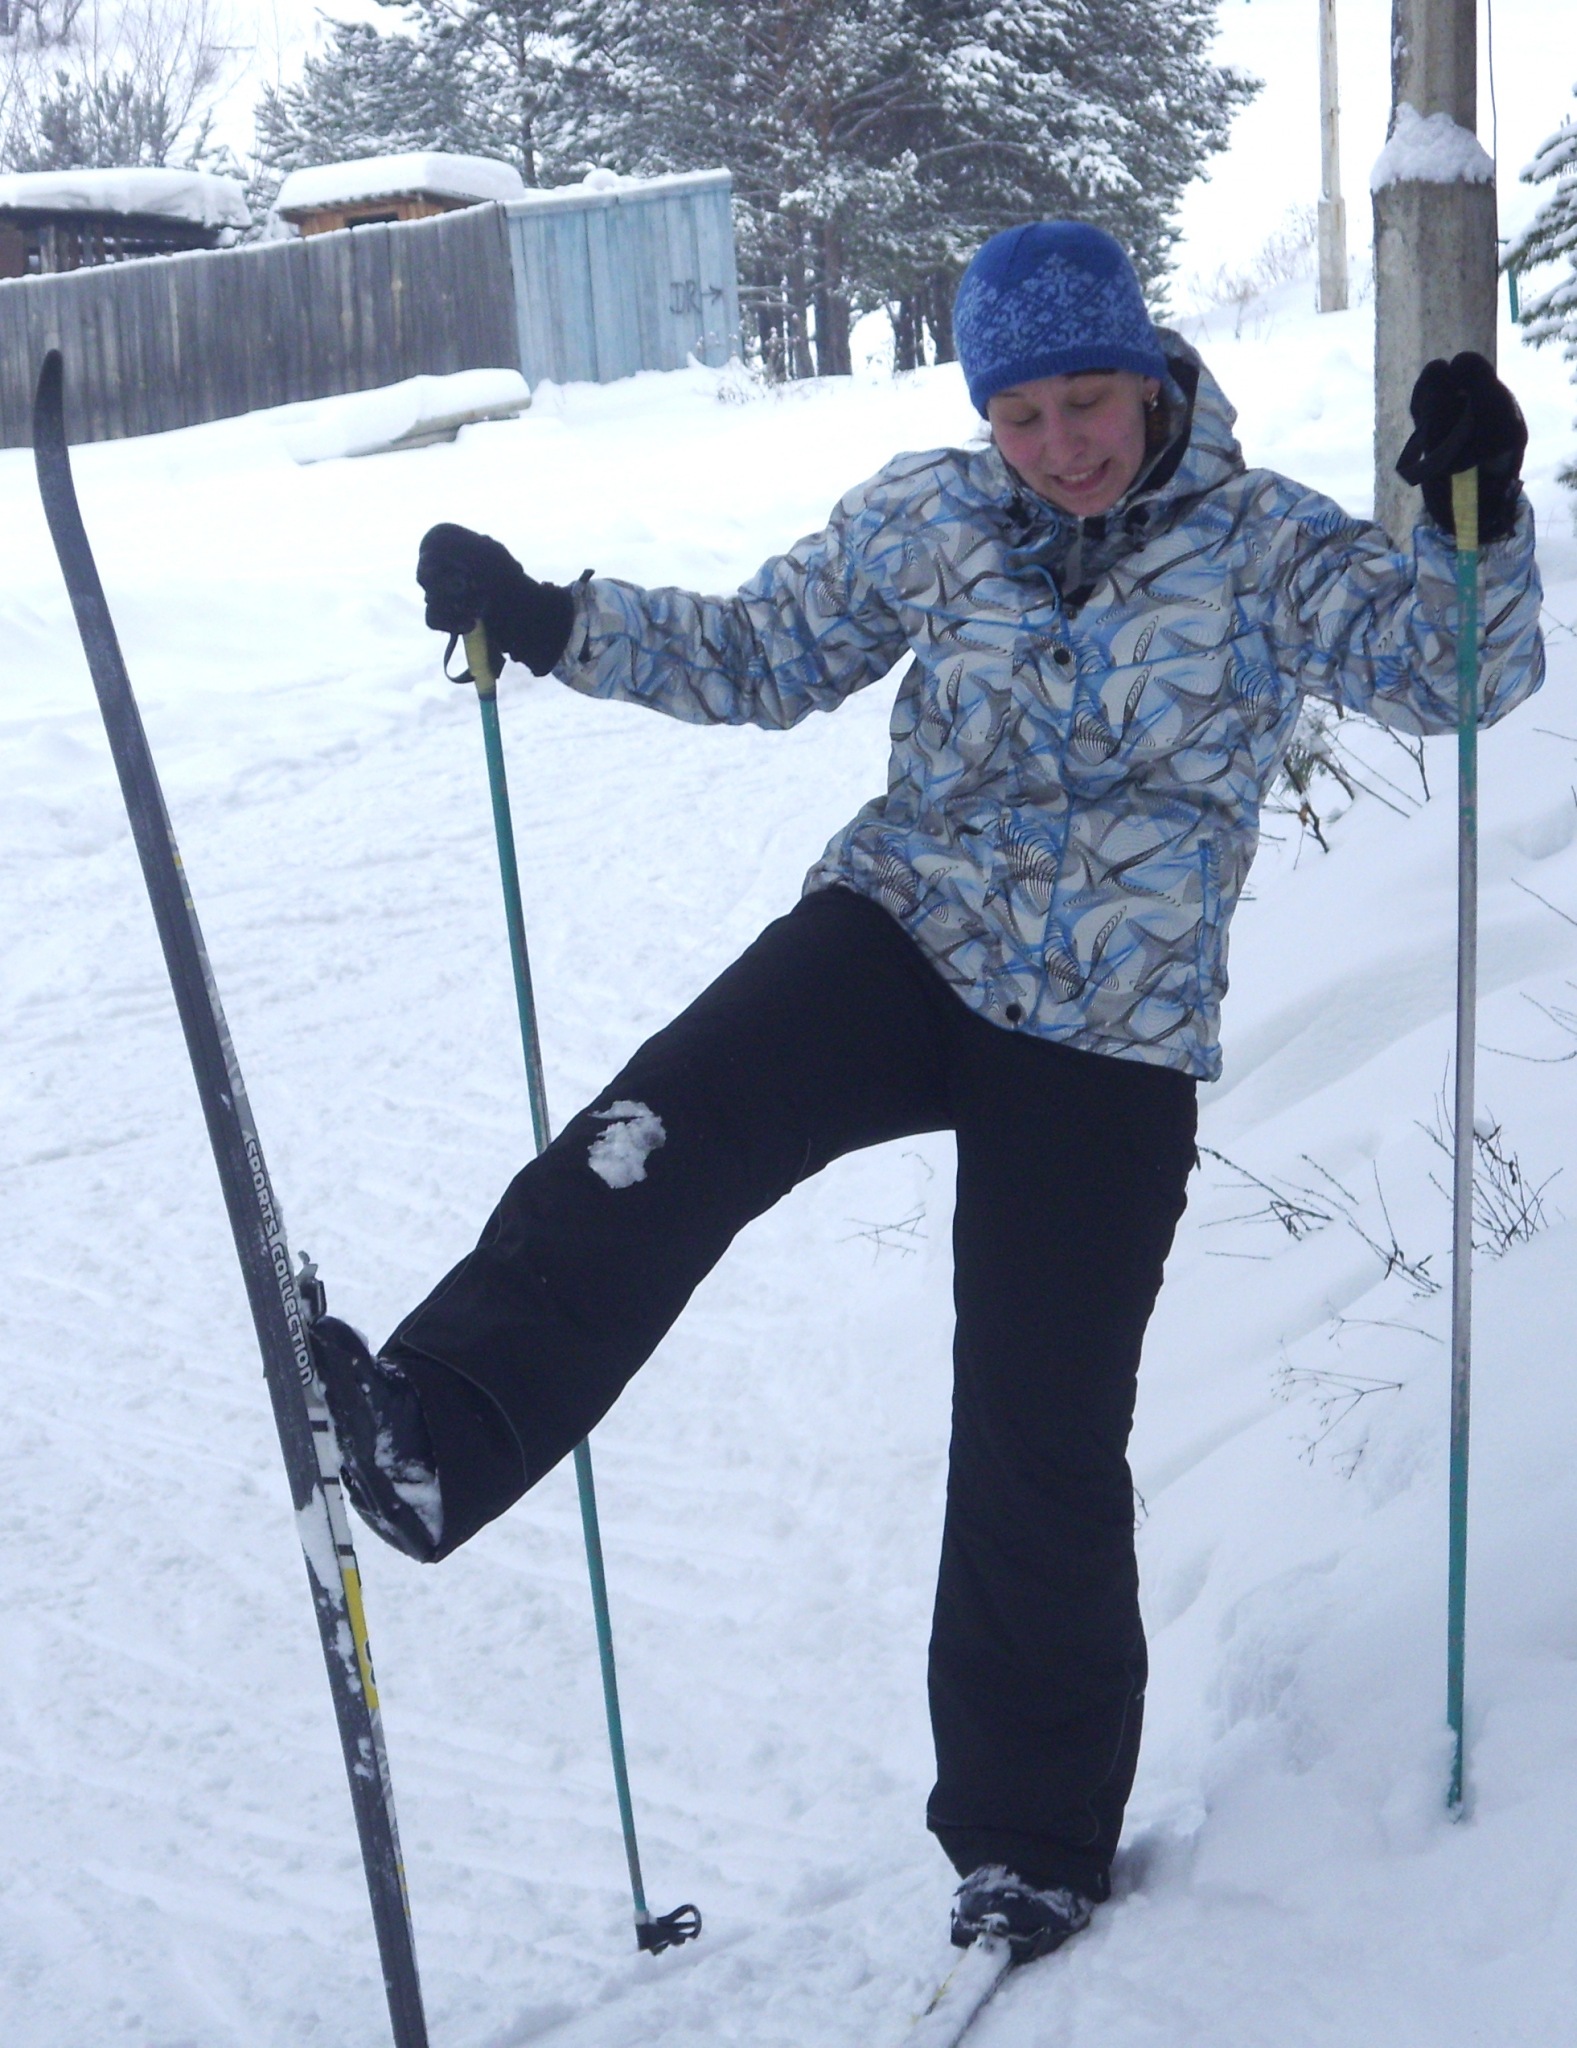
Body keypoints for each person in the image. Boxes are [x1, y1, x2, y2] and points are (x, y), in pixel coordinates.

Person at [310, 222, 1544, 1963]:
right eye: (1018, 415)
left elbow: (1456, 677)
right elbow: (760, 653)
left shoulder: (1263, 545)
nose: (1057, 446)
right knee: (660, 1131)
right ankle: (437, 1434)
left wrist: (1475, 519)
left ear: (1148, 375)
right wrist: (553, 620)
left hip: (1110, 1020)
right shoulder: (930, 515)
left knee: (1040, 1423)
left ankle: (1030, 1842)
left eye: (1084, 402)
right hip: (906, 928)